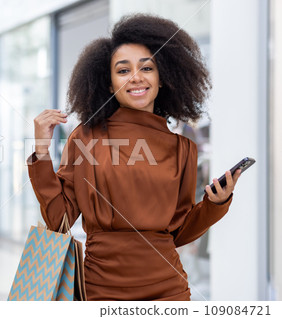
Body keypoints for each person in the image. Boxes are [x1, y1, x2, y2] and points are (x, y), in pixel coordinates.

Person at [26, 13, 241, 301]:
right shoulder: (86, 138)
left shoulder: (182, 148)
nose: (136, 77)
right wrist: (41, 152)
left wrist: (215, 204)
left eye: (147, 68)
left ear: (162, 77)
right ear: (110, 83)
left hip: (169, 290)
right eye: (123, 70)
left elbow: (178, 233)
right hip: (101, 289)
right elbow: (59, 220)